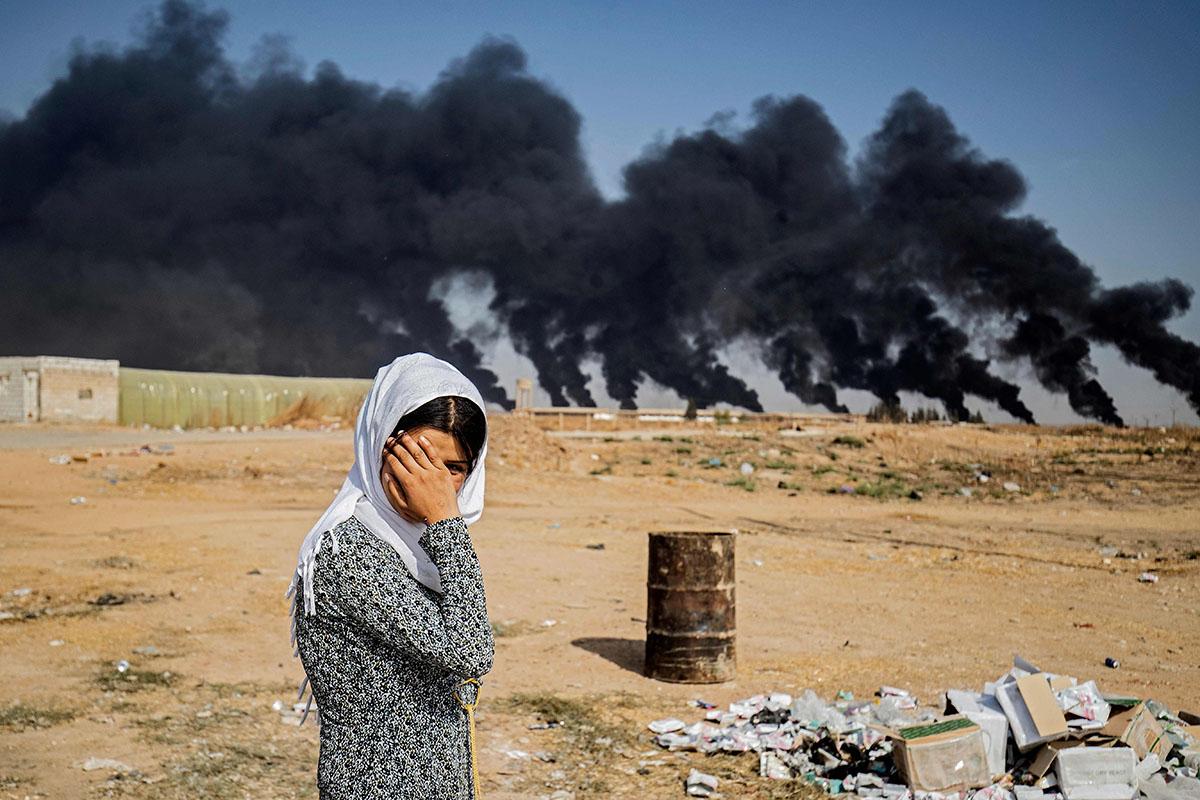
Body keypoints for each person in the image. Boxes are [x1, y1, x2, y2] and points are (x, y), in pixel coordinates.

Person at [287, 352, 495, 799]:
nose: (430, 484)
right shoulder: (350, 551)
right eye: (413, 459)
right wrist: (446, 523)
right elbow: (470, 653)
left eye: (453, 469)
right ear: (378, 442)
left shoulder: (414, 546)